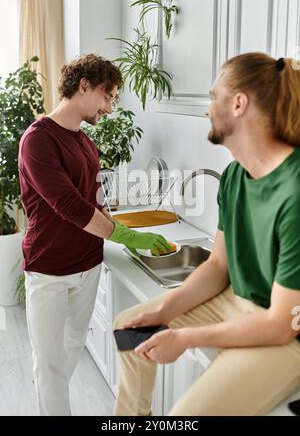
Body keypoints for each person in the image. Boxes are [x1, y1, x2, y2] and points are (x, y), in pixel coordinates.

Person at [113, 52, 300, 416]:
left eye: (213, 97)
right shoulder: (234, 176)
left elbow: (279, 324)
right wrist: (164, 312)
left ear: (239, 103)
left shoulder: (294, 190)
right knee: (129, 329)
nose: (206, 108)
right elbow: (217, 267)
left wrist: (184, 337)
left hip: (286, 331)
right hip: (237, 302)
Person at [18, 54, 172, 416]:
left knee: (68, 354)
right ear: (83, 85)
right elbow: (70, 206)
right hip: (49, 269)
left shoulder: (85, 143)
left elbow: (92, 200)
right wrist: (128, 237)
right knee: (51, 365)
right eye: (108, 96)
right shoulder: (37, 140)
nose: (110, 107)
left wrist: (124, 225)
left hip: (88, 263)